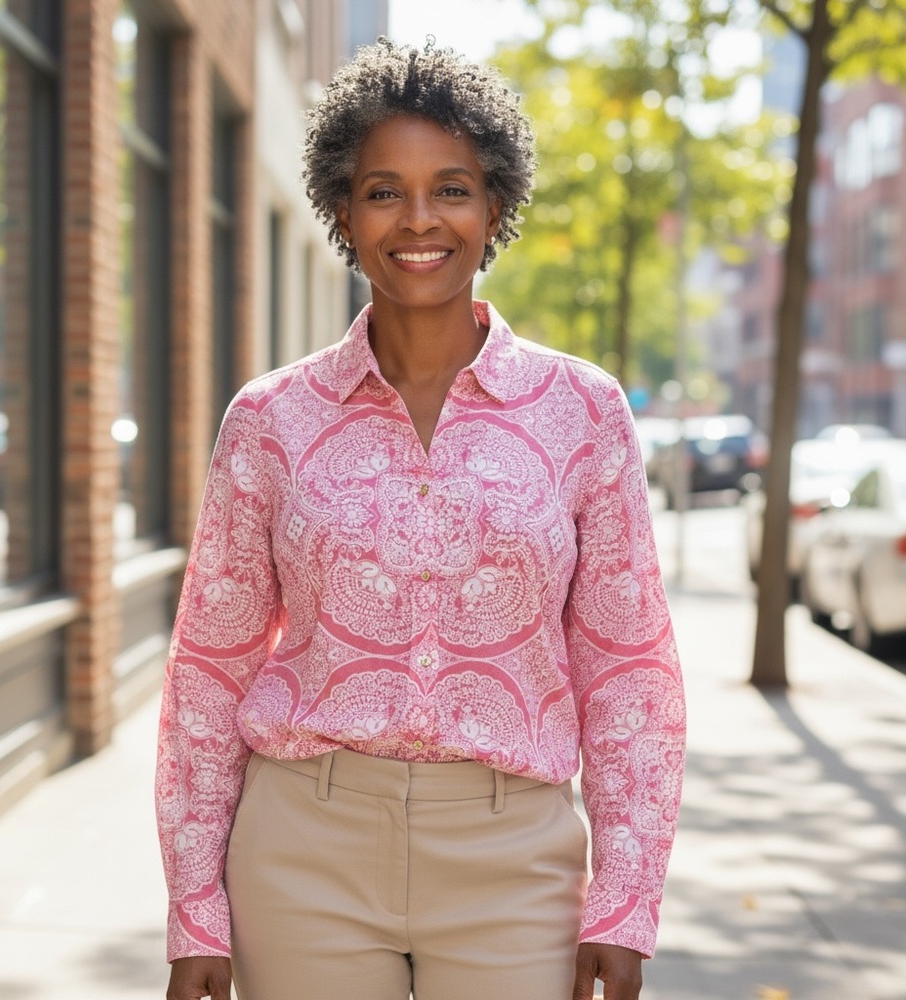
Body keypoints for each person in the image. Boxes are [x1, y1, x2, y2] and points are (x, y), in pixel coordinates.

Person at [157, 37, 685, 1000]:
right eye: (382, 190)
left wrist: (626, 897)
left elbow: (628, 666)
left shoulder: (584, 410)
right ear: (343, 211)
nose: (418, 220)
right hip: (301, 849)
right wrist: (195, 907)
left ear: (494, 208)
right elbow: (208, 667)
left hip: (514, 855)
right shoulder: (270, 418)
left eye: (451, 187)